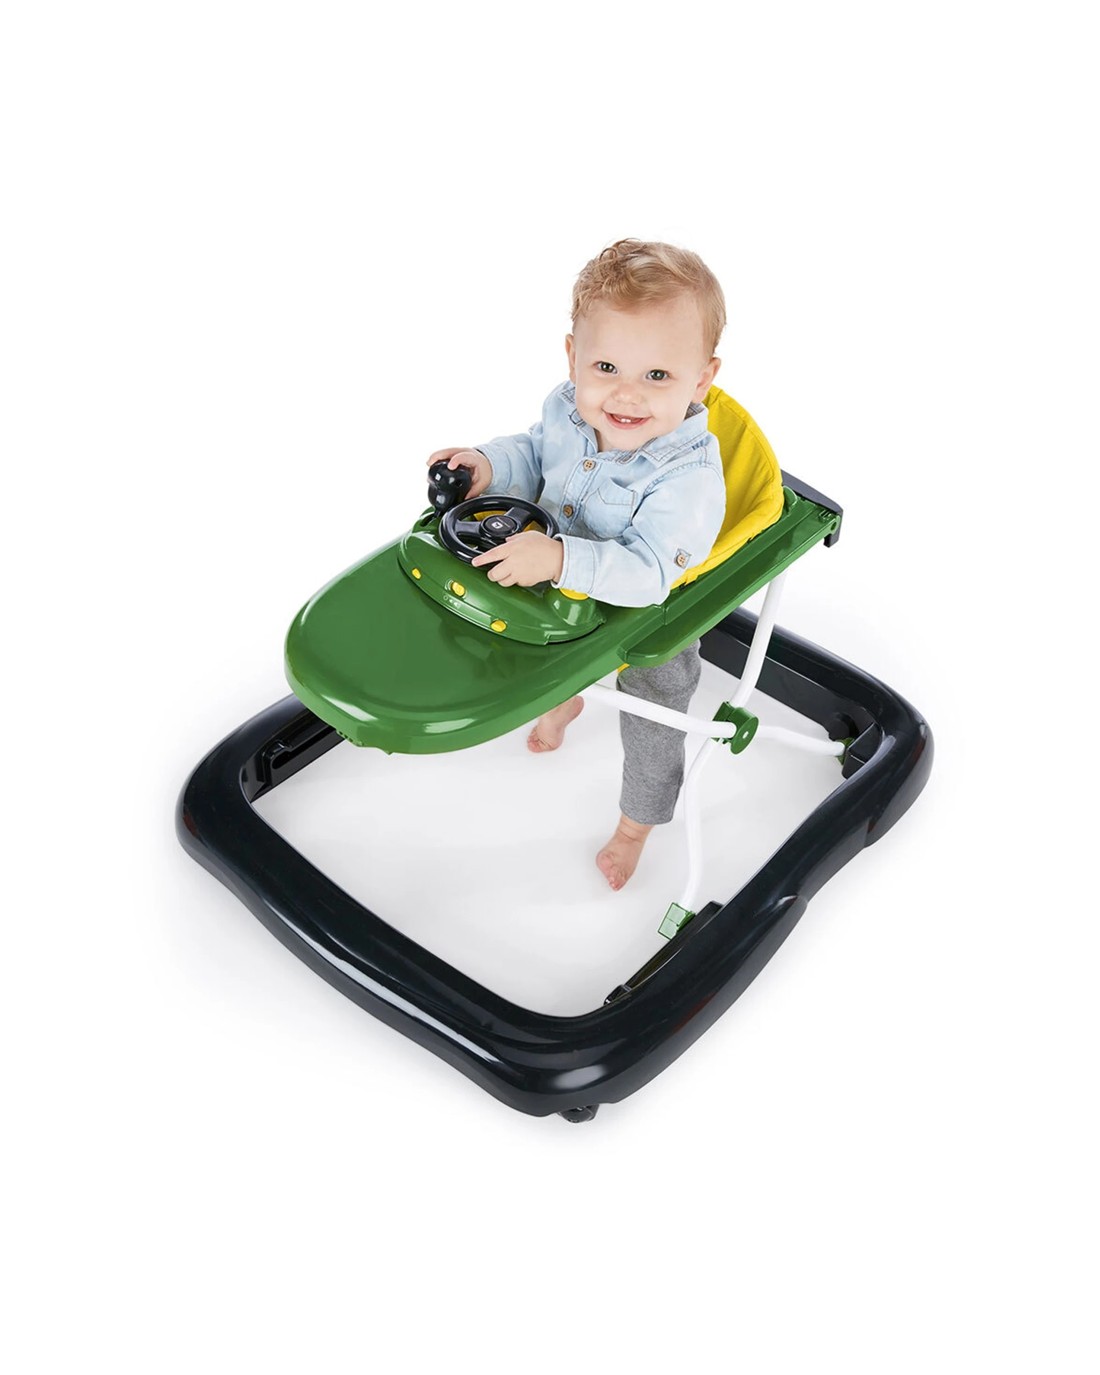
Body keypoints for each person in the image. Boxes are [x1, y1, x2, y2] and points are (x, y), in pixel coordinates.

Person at [428, 239, 726, 889]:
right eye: (606, 366)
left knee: (654, 712)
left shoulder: (688, 477)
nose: (627, 394)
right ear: (573, 357)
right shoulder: (567, 406)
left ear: (702, 380)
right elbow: (536, 453)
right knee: (525, 630)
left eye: (658, 376)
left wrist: (562, 559)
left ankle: (635, 826)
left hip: (647, 618)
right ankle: (563, 699)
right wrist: (489, 464)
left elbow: (649, 575)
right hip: (550, 576)